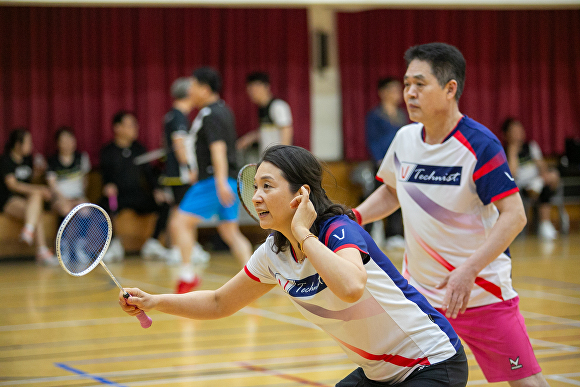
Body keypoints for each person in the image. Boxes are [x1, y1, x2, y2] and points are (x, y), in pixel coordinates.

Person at [120, 145, 469, 386]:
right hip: (380, 374)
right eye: (255, 187)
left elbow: (350, 287)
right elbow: (218, 303)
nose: (255, 197)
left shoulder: (339, 230)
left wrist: (303, 232)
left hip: (431, 362)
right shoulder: (274, 253)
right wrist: (155, 301)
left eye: (267, 186)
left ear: (299, 196)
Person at [353, 43, 549, 386]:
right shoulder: (404, 139)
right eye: (406, 84)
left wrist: (469, 270)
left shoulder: (480, 145)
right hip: (420, 296)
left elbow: (515, 215)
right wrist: (354, 217)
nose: (409, 93)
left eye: (419, 84)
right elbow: (391, 191)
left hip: (481, 292)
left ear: (450, 89)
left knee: (525, 382)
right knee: (398, 378)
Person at [169, 67, 253, 294]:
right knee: (230, 232)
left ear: (205, 89)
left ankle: (187, 276)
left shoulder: (210, 114)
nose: (190, 90)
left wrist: (218, 181)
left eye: (193, 86)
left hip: (215, 181)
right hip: (228, 180)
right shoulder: (223, 110)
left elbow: (218, 149)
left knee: (180, 223)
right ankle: (254, 277)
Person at [99, 111, 171, 262]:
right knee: (103, 208)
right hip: (117, 197)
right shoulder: (108, 151)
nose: (135, 128)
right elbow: (105, 176)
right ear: (118, 128)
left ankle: (153, 242)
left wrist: (157, 190)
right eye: (130, 125)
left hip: (138, 195)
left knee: (165, 204)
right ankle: (113, 245)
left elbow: (149, 175)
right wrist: (108, 186)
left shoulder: (139, 149)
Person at [160, 77, 210, 266]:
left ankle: (179, 247)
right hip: (181, 174)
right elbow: (179, 144)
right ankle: (182, 248)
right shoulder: (179, 117)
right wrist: (189, 168)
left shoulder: (171, 115)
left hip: (173, 172)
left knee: (177, 210)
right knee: (185, 211)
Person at [0, 128, 57, 265]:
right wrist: (39, 189)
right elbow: (13, 185)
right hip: (8, 201)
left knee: (36, 201)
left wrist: (38, 172)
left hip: (26, 201)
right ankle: (41, 250)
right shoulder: (5, 160)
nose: (31, 146)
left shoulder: (27, 159)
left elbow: (28, 179)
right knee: (36, 204)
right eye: (28, 142)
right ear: (18, 144)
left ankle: (28, 230)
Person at [365, 77, 407, 250]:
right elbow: (372, 141)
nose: (396, 94)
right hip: (381, 164)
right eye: (392, 90)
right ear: (382, 92)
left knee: (398, 197)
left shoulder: (401, 115)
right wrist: (379, 160)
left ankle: (394, 234)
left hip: (400, 163)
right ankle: (367, 233)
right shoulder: (375, 116)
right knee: (377, 196)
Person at [502, 117, 560, 240]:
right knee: (543, 189)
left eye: (520, 130)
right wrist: (513, 152)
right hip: (520, 186)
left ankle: (544, 224)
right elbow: (511, 174)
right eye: (514, 131)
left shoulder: (531, 146)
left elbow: (542, 166)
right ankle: (544, 224)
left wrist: (543, 170)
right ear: (507, 134)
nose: (518, 134)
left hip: (537, 181)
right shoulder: (504, 151)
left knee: (552, 177)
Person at [236, 72, 293, 156]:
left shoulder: (278, 106)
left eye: (255, 88)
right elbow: (265, 131)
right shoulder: (261, 108)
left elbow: (287, 131)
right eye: (250, 89)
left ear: (266, 87)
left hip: (277, 159)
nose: (252, 93)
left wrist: (283, 158)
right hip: (267, 157)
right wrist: (247, 139)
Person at [46, 127, 91, 218]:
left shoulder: (82, 157)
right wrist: (63, 199)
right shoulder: (52, 161)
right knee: (65, 209)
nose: (68, 143)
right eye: (64, 141)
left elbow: (85, 180)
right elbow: (52, 185)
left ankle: (80, 233)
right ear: (58, 143)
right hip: (60, 199)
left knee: (85, 210)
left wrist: (80, 198)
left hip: (78, 196)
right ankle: (62, 232)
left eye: (70, 139)